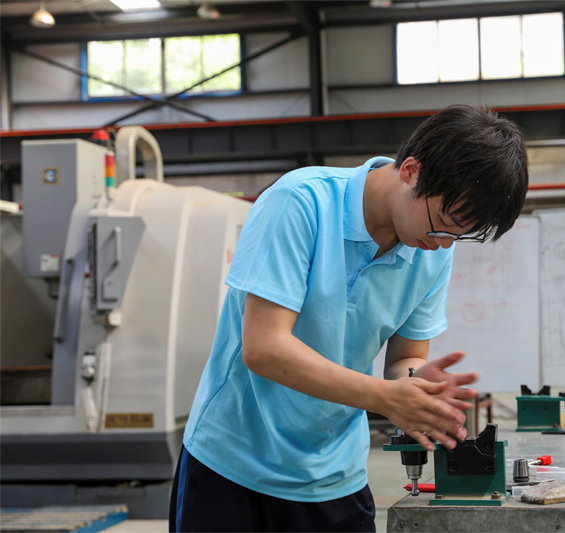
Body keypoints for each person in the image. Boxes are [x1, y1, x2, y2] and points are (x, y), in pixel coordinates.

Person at [169, 104, 529, 532]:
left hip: (334, 475)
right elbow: (264, 348)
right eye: (444, 225)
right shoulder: (300, 203)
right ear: (411, 171)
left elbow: (405, 357)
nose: (445, 244)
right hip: (233, 467)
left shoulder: (430, 253)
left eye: (459, 235)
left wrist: (416, 384)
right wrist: (385, 398)